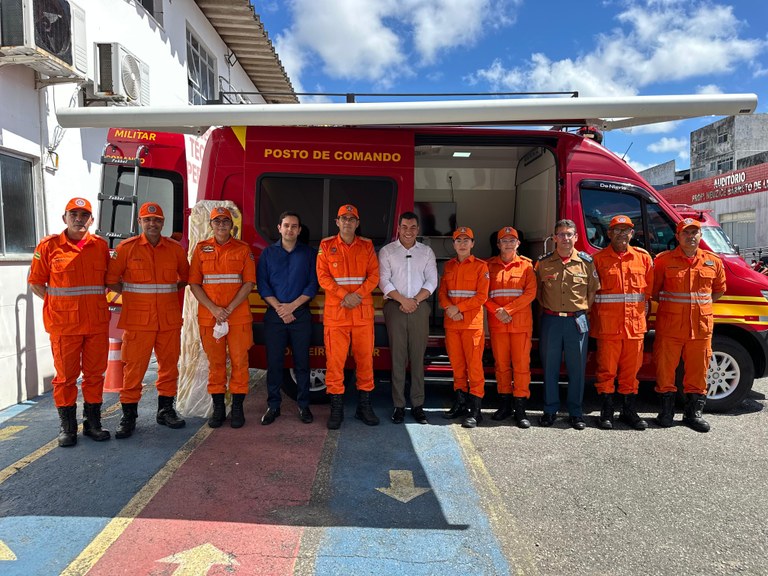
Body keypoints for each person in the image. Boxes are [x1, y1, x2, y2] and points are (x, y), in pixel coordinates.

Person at [28, 197, 111, 447]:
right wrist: (57, 306)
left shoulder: (100, 246)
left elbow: (110, 280)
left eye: (84, 215)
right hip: (65, 327)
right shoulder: (49, 247)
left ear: (91, 220)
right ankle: (68, 428)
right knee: (65, 378)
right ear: (65, 218)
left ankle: (93, 424)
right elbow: (36, 283)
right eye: (73, 214)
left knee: (95, 376)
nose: (79, 219)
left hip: (95, 325)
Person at [106, 202, 190, 438]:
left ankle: (165, 410)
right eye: (147, 220)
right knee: (133, 370)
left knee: (169, 368)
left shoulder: (174, 249)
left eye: (157, 220)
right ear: (140, 222)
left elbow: (186, 276)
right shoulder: (126, 249)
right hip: (137, 322)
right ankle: (129, 416)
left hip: (168, 320)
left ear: (163, 223)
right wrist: (133, 296)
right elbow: (111, 279)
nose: (152, 224)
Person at [652, 217, 725, 432]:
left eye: (695, 233)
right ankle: (666, 412)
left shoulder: (713, 261)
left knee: (698, 371)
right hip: (670, 326)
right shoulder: (663, 261)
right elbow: (655, 291)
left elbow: (719, 290)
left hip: (700, 328)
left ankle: (693, 414)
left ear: (700, 236)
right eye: (686, 233)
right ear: (677, 236)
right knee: (665, 370)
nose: (691, 236)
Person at [189, 207, 256, 429]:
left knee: (240, 363)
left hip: (237, 317)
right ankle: (218, 409)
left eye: (225, 222)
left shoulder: (243, 249)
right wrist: (215, 309)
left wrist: (228, 309)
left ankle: (237, 408)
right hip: (211, 317)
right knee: (216, 364)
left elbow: (248, 283)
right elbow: (194, 284)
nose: (221, 226)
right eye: (217, 222)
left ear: (232, 225)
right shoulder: (200, 250)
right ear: (211, 225)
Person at [316, 204, 380, 429]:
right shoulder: (326, 246)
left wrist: (357, 295)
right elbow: (323, 277)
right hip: (337, 315)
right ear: (337, 222)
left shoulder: (367, 246)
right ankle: (336, 409)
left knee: (365, 362)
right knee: (335, 364)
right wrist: (346, 295)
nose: (348, 222)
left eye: (352, 219)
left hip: (361, 314)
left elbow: (374, 276)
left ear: (357, 223)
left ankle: (364, 407)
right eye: (344, 218)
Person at [535, 219, 600, 430]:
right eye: (561, 234)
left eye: (569, 234)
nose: (565, 238)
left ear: (576, 237)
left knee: (577, 369)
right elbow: (538, 293)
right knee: (550, 368)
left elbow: (591, 291)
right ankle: (550, 410)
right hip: (551, 320)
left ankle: (575, 412)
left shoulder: (586, 262)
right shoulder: (543, 263)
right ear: (554, 238)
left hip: (576, 321)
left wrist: (580, 310)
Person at [590, 215, 653, 431]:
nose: (621, 234)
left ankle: (628, 411)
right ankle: (606, 413)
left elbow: (647, 295)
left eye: (626, 230)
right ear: (609, 234)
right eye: (617, 230)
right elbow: (591, 296)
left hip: (634, 328)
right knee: (606, 371)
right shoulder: (597, 260)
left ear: (632, 234)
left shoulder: (643, 259)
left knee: (630, 372)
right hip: (608, 328)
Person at [256, 211, 318, 425]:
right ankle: (273, 406)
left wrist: (292, 307)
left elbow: (312, 285)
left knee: (302, 364)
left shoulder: (309, 254)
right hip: (275, 317)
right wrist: (280, 309)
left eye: (294, 226)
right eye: (286, 225)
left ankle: (303, 406)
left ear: (299, 230)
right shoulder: (267, 254)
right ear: (279, 228)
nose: (290, 229)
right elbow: (263, 286)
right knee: (274, 364)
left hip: (300, 315)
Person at [378, 211, 438, 424]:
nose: (408, 231)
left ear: (418, 229)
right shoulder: (387, 252)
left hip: (419, 307)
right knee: (398, 357)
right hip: (395, 307)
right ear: (398, 228)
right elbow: (383, 281)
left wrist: (415, 301)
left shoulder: (427, 252)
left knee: (417, 357)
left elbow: (431, 281)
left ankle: (418, 405)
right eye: (404, 227)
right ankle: (399, 406)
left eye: (413, 227)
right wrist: (403, 300)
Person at [484, 226, 536, 428]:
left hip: (520, 325)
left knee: (522, 367)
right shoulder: (488, 266)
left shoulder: (527, 266)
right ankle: (505, 404)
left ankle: (520, 407)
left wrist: (509, 310)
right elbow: (483, 293)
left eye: (511, 240)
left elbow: (530, 293)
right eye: (503, 240)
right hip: (498, 324)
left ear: (518, 244)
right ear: (498, 244)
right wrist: (498, 311)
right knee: (502, 366)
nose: (507, 243)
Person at [438, 226, 489, 428]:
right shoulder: (449, 266)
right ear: (453, 244)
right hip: (452, 324)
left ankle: (475, 411)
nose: (462, 244)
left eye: (466, 240)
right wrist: (449, 308)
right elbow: (442, 293)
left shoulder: (480, 267)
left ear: (473, 244)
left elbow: (481, 296)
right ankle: (460, 403)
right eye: (458, 240)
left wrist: (457, 308)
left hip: (471, 325)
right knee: (457, 367)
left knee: (474, 368)